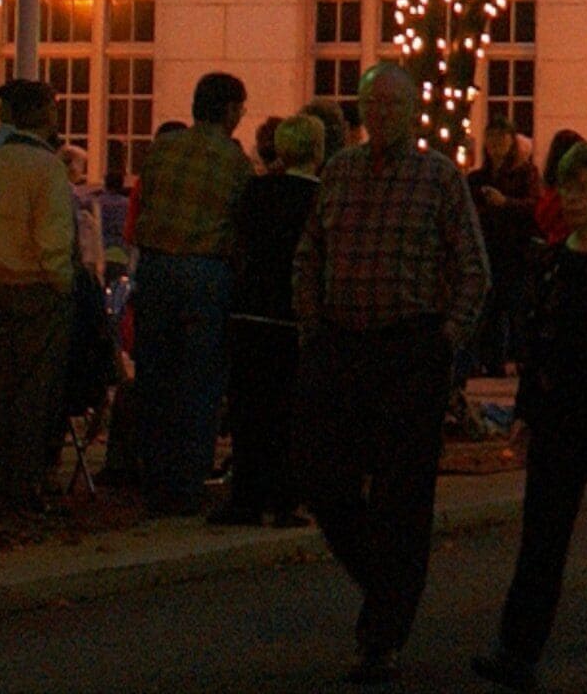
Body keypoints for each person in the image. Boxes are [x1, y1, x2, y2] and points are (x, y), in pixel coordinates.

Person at [296, 64, 490, 684]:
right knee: (326, 479)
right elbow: (309, 253)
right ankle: (386, 582)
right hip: (344, 344)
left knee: (402, 495)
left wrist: (446, 338)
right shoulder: (340, 172)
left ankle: (382, 633)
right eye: (370, 104)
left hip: (409, 346)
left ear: (412, 112)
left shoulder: (438, 178)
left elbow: (472, 268)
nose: (379, 116)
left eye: (391, 105)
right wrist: (312, 326)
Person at [474, 140, 587, 694]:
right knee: (542, 539)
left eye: (584, 189)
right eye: (567, 187)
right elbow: (540, 343)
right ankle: (519, 648)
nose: (573, 199)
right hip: (559, 417)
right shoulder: (552, 262)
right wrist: (525, 412)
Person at [126, 71, 250, 513]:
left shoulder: (163, 149)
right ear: (231, 110)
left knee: (155, 377)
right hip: (205, 273)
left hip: (156, 267)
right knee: (198, 383)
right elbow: (239, 226)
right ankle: (188, 482)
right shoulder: (235, 163)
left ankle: (155, 480)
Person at [214, 110, 325, 526]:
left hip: (250, 309)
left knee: (249, 409)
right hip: (292, 314)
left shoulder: (257, 192)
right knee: (289, 411)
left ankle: (245, 495)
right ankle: (283, 498)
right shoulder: (320, 197)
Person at [0, 77, 78, 513]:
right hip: (35, 287)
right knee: (35, 392)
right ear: (44, 114)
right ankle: (25, 480)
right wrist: (64, 282)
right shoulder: (47, 167)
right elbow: (52, 238)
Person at [469, 120, 543, 378]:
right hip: (489, 249)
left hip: (515, 250)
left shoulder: (525, 174)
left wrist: (505, 204)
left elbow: (534, 206)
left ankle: (518, 358)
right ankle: (491, 359)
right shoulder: (478, 178)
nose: (495, 145)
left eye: (501, 139)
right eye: (491, 139)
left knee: (516, 307)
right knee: (490, 308)